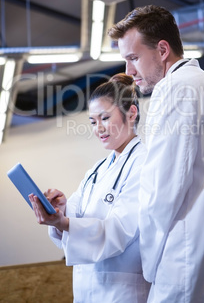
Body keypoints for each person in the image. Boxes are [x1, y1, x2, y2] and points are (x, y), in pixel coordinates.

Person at [108, 5, 204, 303]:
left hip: (190, 267)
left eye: (133, 58)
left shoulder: (175, 90)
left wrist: (151, 267)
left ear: (163, 50)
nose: (129, 72)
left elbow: (162, 192)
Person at [29, 73, 150, 303]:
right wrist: (61, 210)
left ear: (131, 114)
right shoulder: (97, 170)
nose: (98, 128)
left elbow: (119, 231)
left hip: (122, 294)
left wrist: (64, 223)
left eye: (105, 118)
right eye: (93, 122)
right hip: (86, 292)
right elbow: (74, 221)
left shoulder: (145, 164)